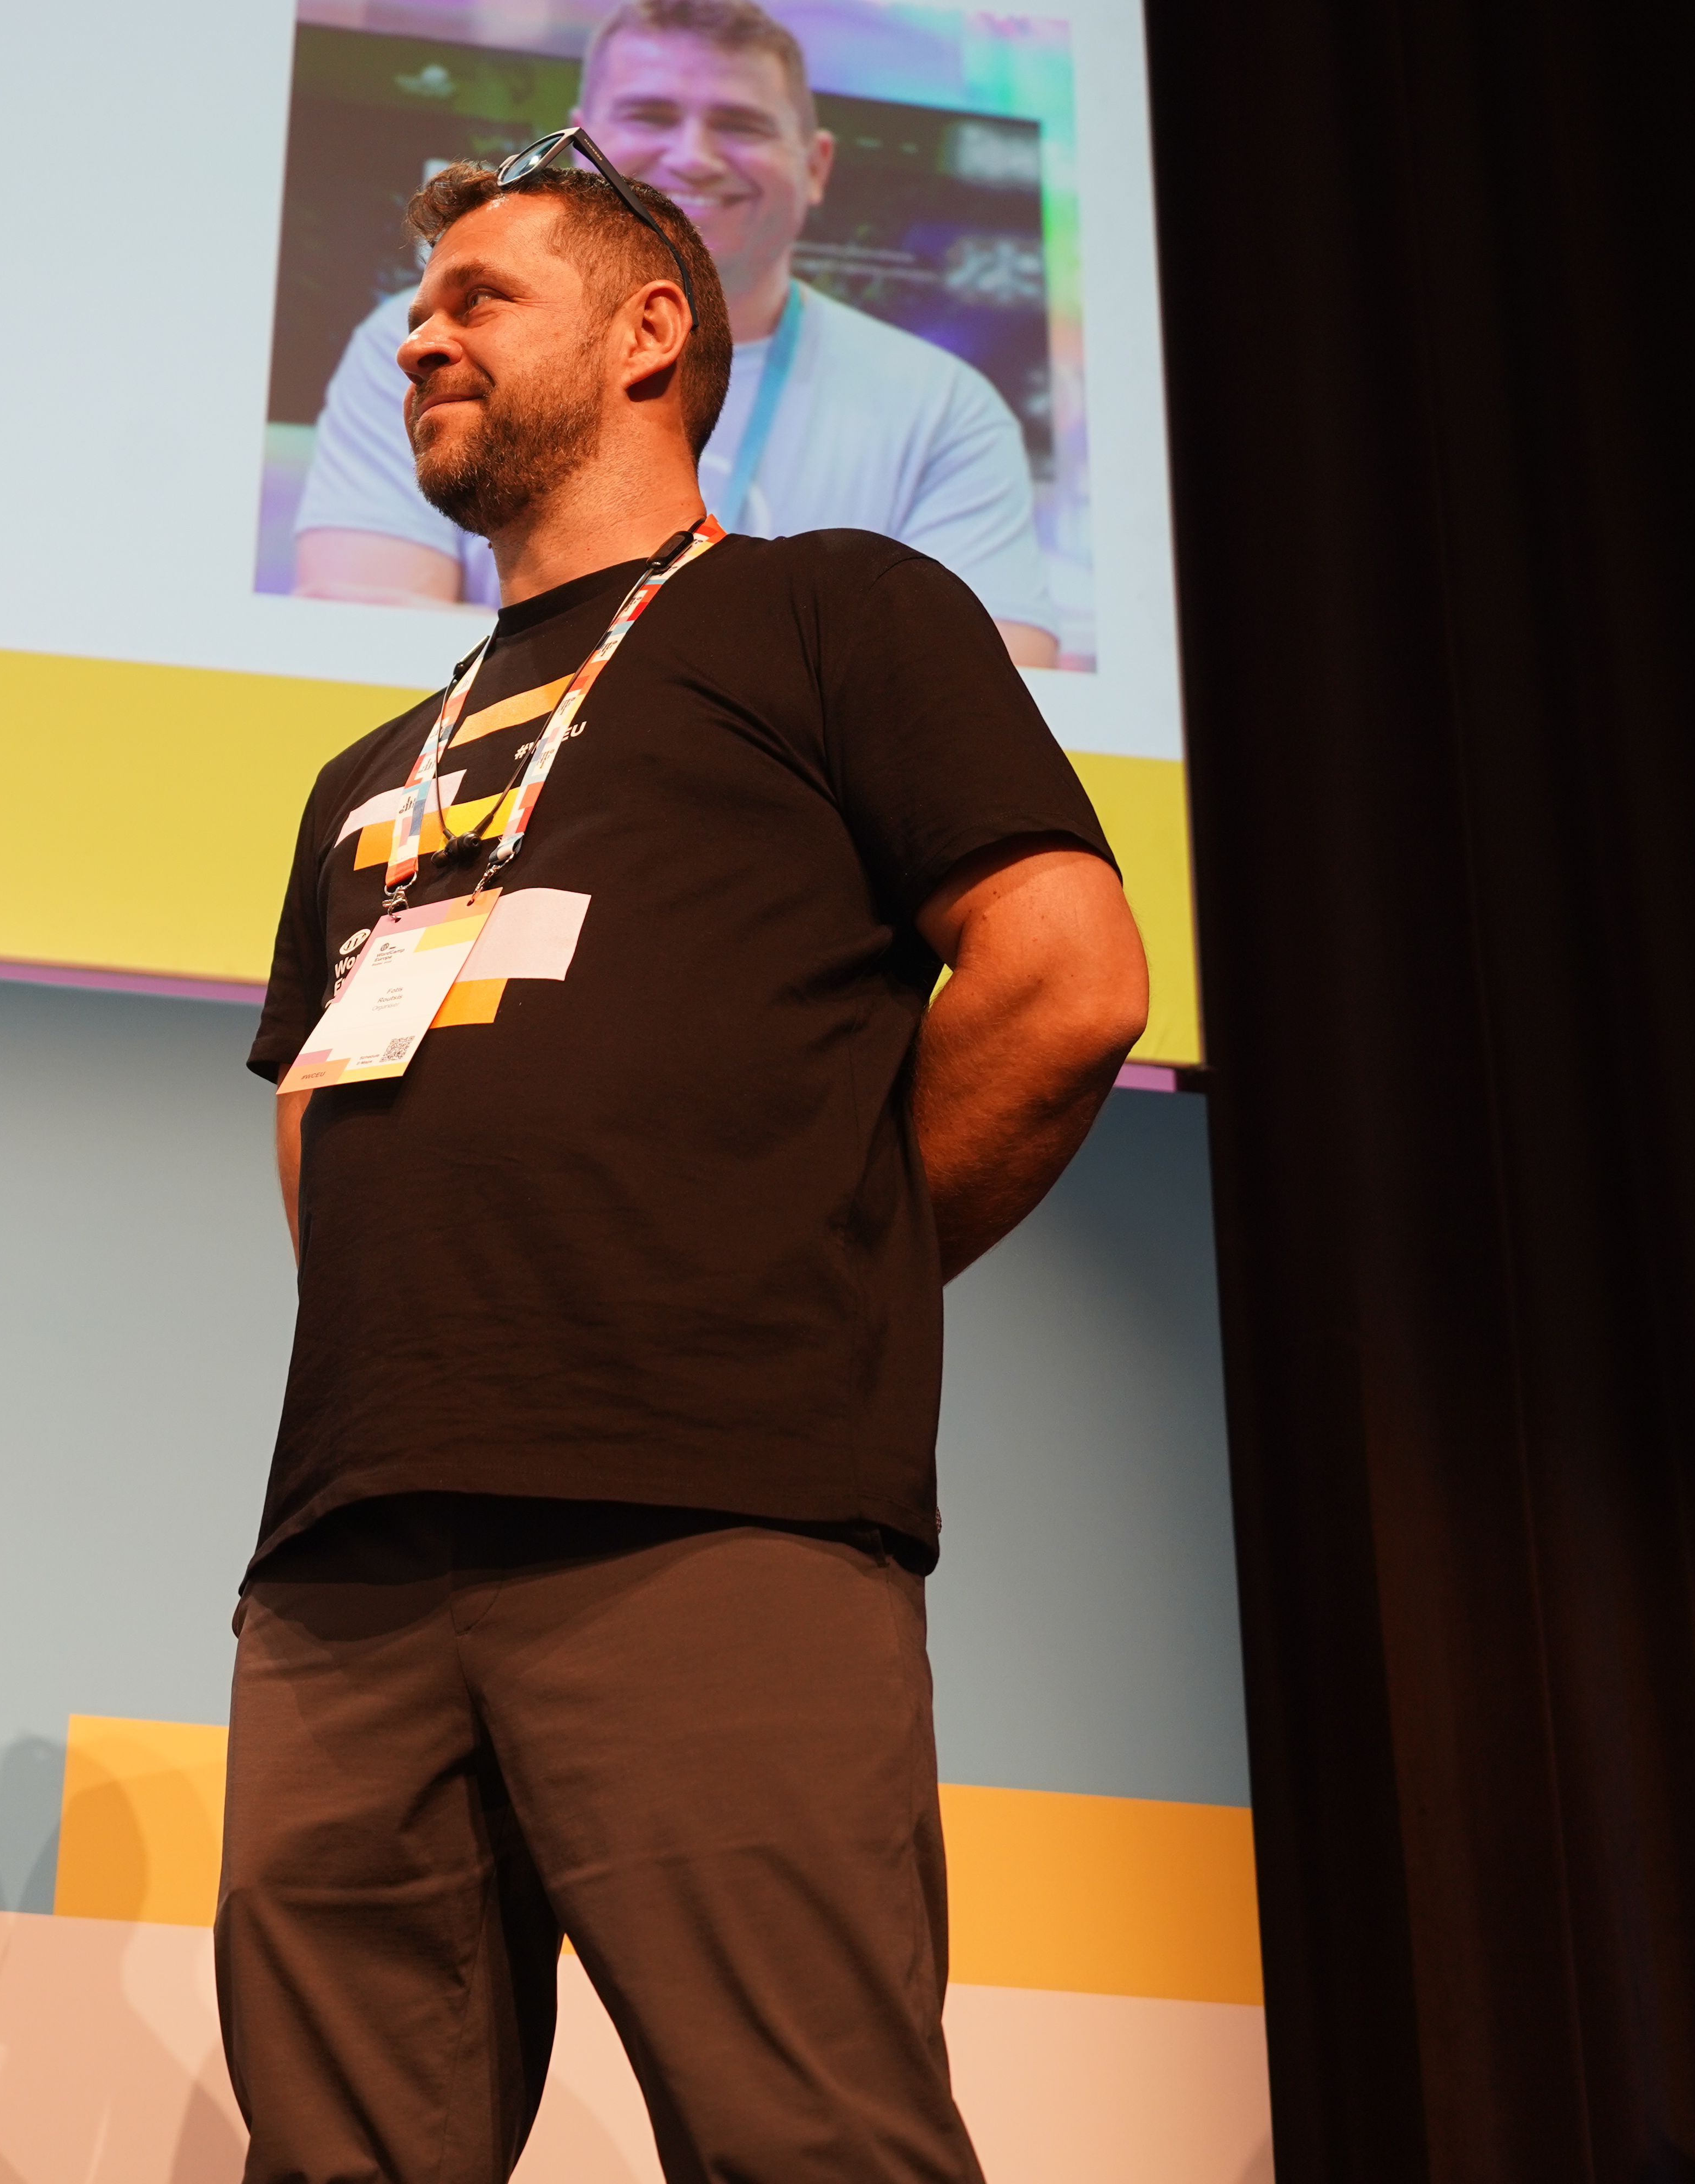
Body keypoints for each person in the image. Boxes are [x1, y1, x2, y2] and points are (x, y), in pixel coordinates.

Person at [220, 138, 1147, 2184]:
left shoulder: (834, 610)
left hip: (710, 1506)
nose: (420, 339)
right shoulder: (370, 772)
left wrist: (823, 1255)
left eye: (479, 298)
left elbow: (1067, 978)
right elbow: (321, 1115)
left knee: (807, 2143)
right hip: (351, 1554)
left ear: (653, 333)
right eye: (415, 310)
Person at [293, 0, 1062, 667]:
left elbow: (989, 689)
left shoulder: (943, 404)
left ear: (816, 165)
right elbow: (361, 637)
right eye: (650, 116)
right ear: (581, 147)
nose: (693, 156)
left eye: (741, 124)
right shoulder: (429, 351)